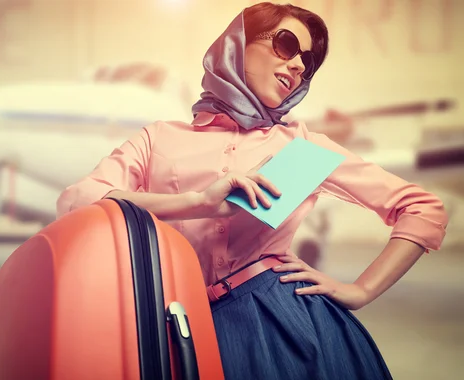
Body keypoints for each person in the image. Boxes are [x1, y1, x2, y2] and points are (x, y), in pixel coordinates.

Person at [56, 3, 448, 379]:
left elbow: (422, 209)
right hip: (170, 326)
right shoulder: (159, 139)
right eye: (287, 46)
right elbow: (77, 201)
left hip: (283, 326)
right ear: (237, 44)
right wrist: (196, 202)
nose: (297, 65)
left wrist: (361, 290)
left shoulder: (302, 149)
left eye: (306, 62)